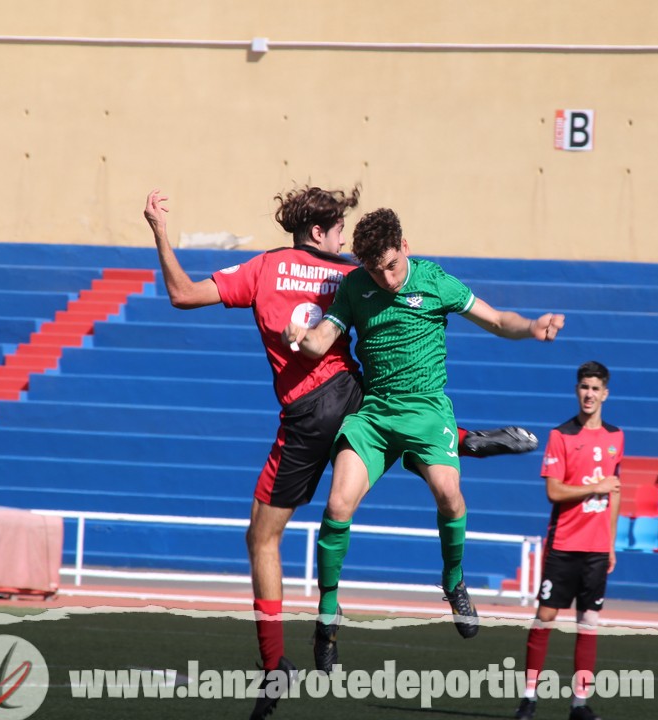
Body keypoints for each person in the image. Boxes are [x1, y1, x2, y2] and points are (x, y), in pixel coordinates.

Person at [143, 188, 539, 720]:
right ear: (318, 234)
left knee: (262, 537)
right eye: (339, 232)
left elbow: (183, 294)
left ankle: (274, 666)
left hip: (310, 415)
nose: (346, 243)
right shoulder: (349, 274)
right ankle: (458, 439)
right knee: (392, 438)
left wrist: (161, 233)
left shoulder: (272, 268)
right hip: (357, 393)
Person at [285, 207, 565, 673]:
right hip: (374, 414)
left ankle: (453, 581)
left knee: (449, 495)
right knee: (336, 508)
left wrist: (532, 327)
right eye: (375, 269)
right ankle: (327, 621)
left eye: (391, 266)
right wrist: (300, 336)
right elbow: (321, 339)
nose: (386, 278)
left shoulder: (435, 281)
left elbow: (496, 320)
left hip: (427, 410)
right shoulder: (356, 286)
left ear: (406, 247)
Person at [514, 361, 623, 720]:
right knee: (544, 618)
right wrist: (596, 486)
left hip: (595, 549)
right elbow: (553, 491)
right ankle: (529, 697)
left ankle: (579, 704)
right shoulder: (561, 436)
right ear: (577, 391)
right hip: (563, 544)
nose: (589, 394)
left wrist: (610, 542)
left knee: (588, 622)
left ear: (605, 393)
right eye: (583, 387)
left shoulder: (615, 437)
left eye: (595, 388)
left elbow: (616, 493)